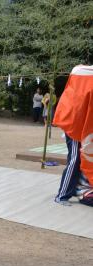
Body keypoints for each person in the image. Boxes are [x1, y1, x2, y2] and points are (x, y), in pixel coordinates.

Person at [53, 64, 93, 206]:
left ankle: (79, 188)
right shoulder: (82, 72)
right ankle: (62, 195)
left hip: (82, 125)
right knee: (75, 159)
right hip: (75, 125)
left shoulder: (80, 73)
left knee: (82, 157)